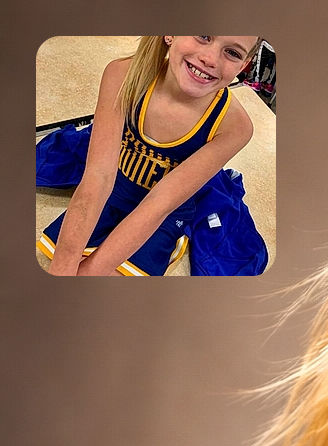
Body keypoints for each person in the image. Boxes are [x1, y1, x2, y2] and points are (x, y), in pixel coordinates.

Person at [38, 35, 260, 276]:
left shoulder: (235, 127)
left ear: (244, 65)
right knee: (62, 261)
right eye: (203, 36)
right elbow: (98, 177)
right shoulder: (122, 74)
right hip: (114, 191)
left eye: (233, 53)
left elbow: (159, 205)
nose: (209, 59)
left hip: (164, 214)